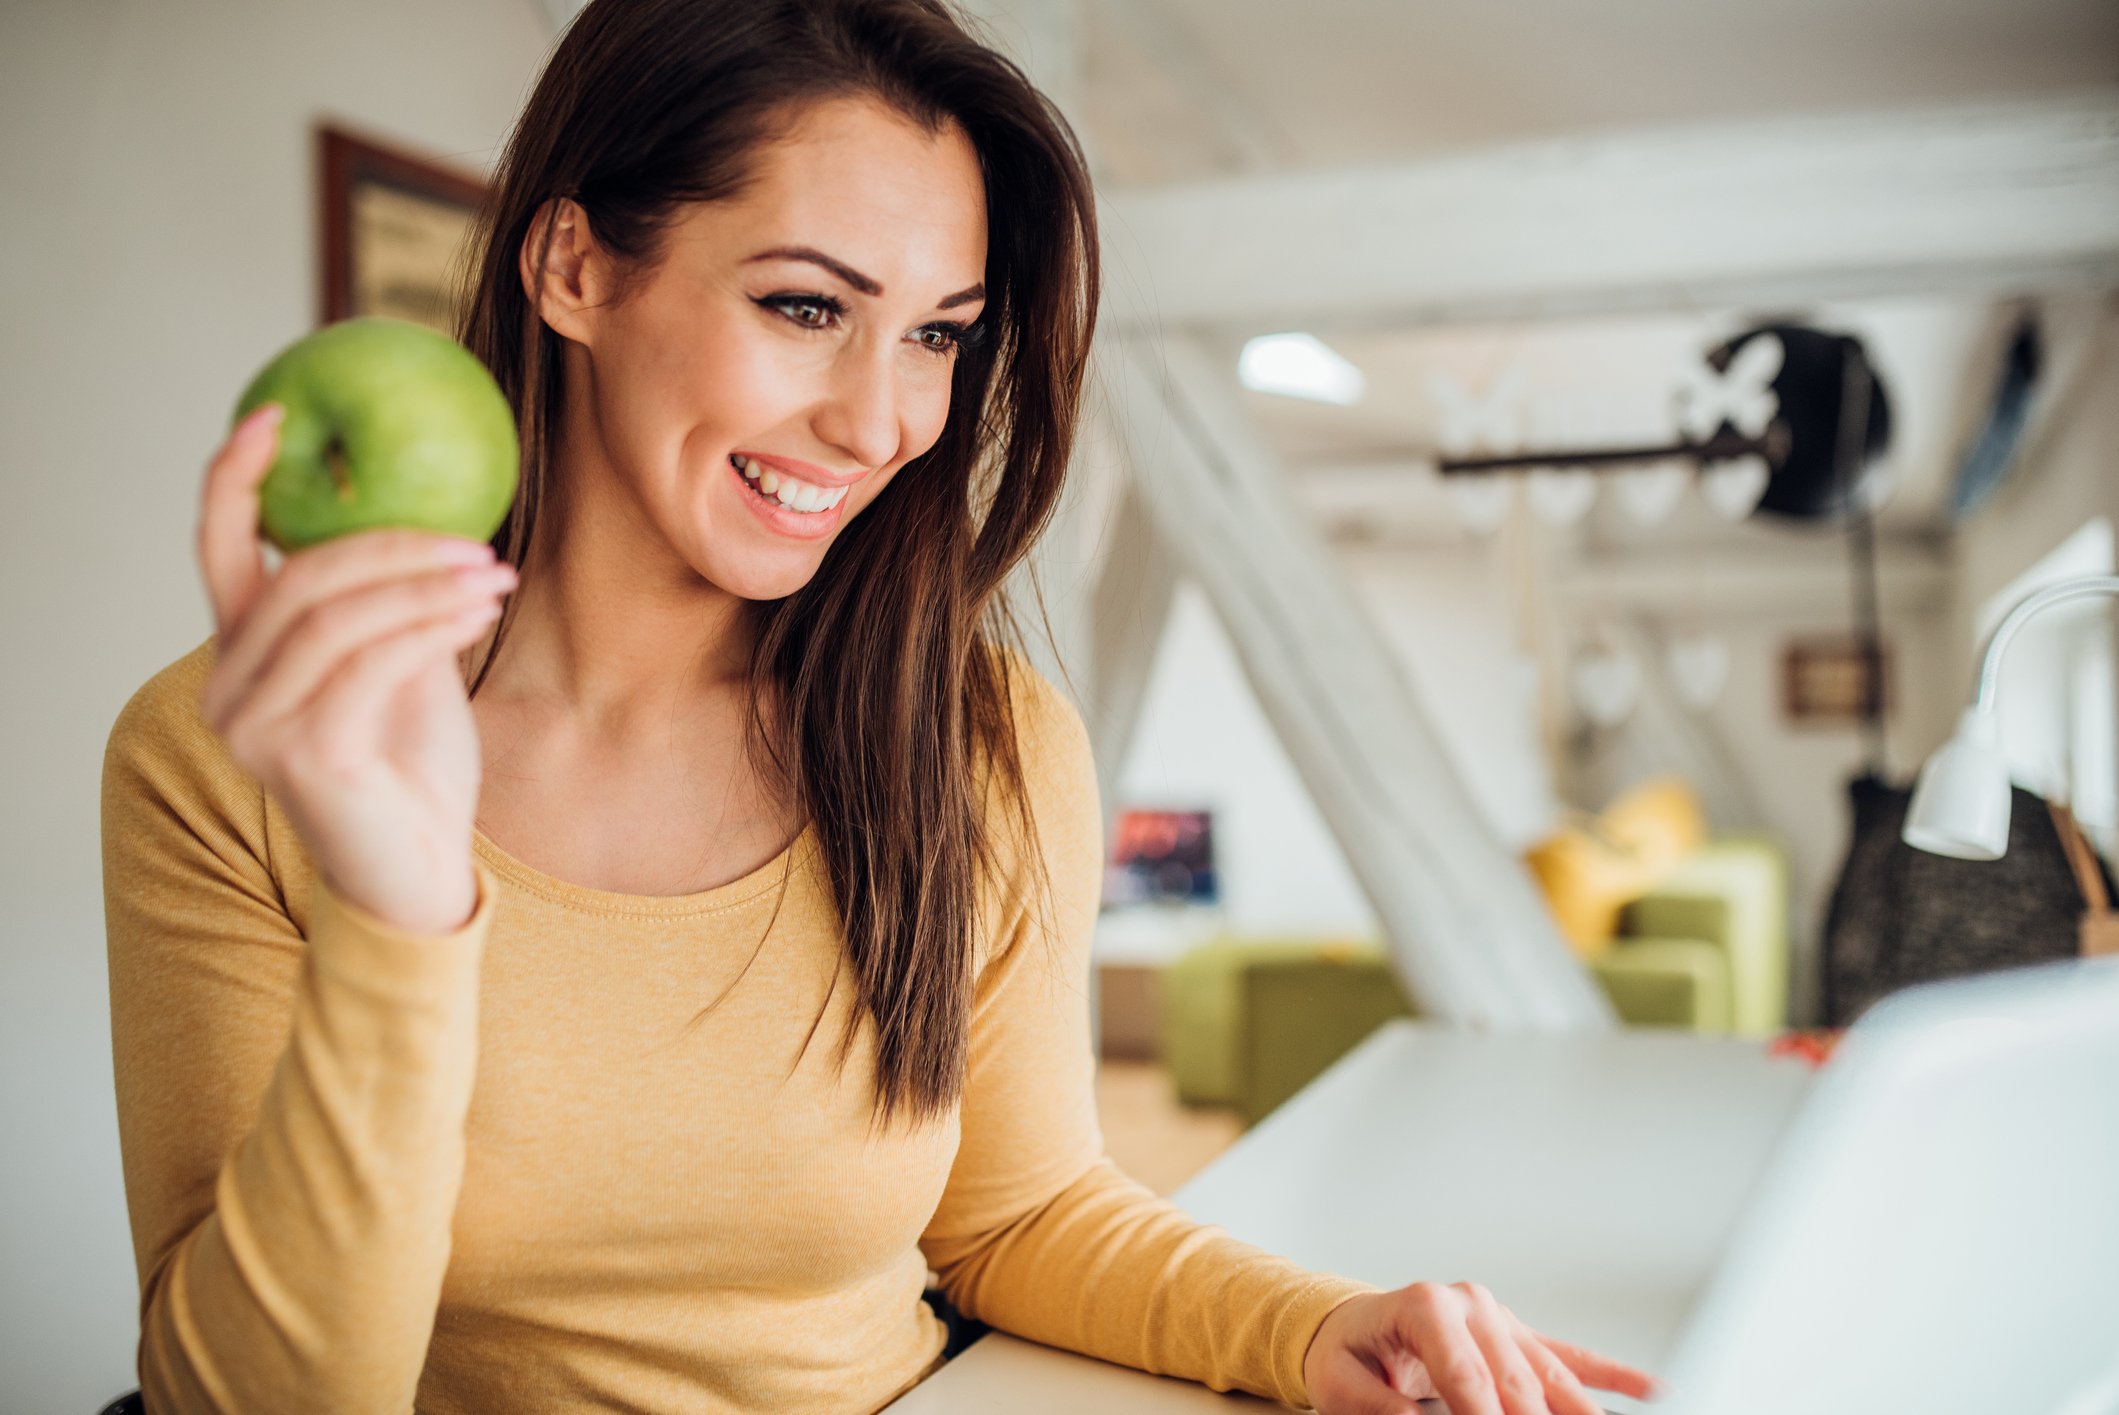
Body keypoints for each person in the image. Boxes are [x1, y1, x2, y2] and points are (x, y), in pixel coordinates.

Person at [99, 1, 1660, 1411]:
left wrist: (1315, 1328)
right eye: (802, 307)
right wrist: (398, 905)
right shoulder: (228, 760)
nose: (879, 420)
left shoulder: (981, 742)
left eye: (936, 335)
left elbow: (1020, 1214)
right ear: (575, 266)